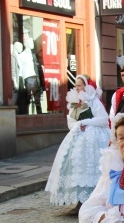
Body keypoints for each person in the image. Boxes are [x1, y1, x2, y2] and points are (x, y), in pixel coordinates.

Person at [45, 75, 110, 215]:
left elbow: (104, 120)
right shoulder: (75, 102)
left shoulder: (94, 101)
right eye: (76, 85)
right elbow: (71, 121)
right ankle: (79, 202)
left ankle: (94, 202)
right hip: (77, 140)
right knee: (75, 169)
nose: (77, 88)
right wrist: (77, 125)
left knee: (91, 169)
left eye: (80, 85)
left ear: (87, 86)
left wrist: (84, 122)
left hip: (94, 141)